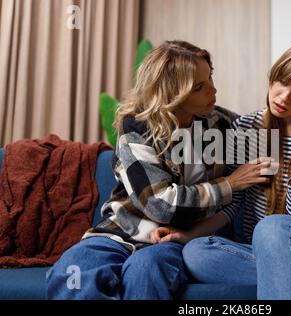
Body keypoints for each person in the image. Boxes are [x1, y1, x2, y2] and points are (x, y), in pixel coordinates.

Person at [46, 40, 270, 300]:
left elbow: (270, 128)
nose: (214, 89)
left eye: (210, 77)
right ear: (172, 94)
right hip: (120, 232)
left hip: (172, 240)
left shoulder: (221, 124)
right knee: (72, 272)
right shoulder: (136, 129)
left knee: (145, 273)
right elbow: (160, 205)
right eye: (199, 87)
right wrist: (230, 184)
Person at [154, 41, 291, 299]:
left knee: (273, 228)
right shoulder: (246, 127)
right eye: (281, 82)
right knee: (196, 252)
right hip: (263, 250)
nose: (282, 96)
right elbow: (232, 203)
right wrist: (188, 235)